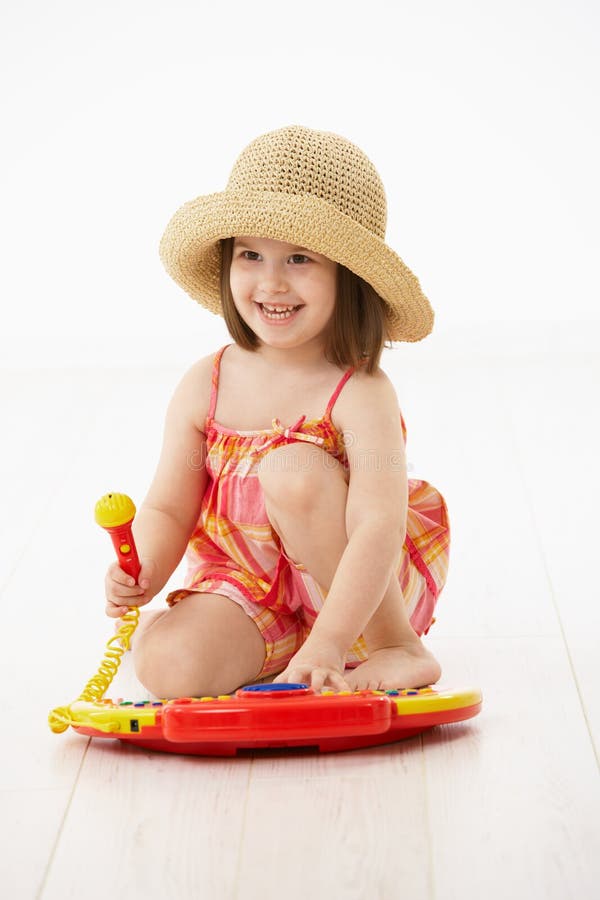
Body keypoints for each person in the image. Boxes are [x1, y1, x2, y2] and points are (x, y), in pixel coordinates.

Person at [104, 125, 450, 698]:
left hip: (364, 595)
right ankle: (280, 650)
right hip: (250, 591)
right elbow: (168, 507)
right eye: (251, 254)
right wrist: (142, 570)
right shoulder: (206, 383)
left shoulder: (360, 393)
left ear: (348, 274)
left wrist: (333, 642)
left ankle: (399, 649)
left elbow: (376, 528)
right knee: (169, 669)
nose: (271, 281)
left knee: (290, 469)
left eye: (298, 257)